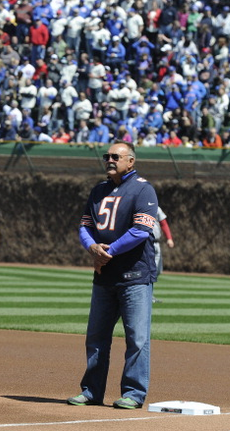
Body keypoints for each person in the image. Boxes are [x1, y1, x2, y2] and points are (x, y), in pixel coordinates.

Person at [68, 141, 158, 410]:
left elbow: (141, 230)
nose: (109, 160)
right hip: (104, 276)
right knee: (96, 338)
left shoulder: (143, 188)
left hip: (135, 276)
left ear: (130, 161)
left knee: (137, 340)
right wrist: (92, 247)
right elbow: (84, 225)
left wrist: (108, 252)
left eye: (116, 156)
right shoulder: (98, 190)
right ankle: (91, 391)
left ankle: (133, 393)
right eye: (107, 155)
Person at [151, 206, 175, 303]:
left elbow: (163, 223)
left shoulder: (156, 207)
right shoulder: (138, 205)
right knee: (150, 270)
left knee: (157, 270)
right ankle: (148, 295)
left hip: (156, 243)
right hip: (146, 243)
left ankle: (149, 294)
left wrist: (169, 238)